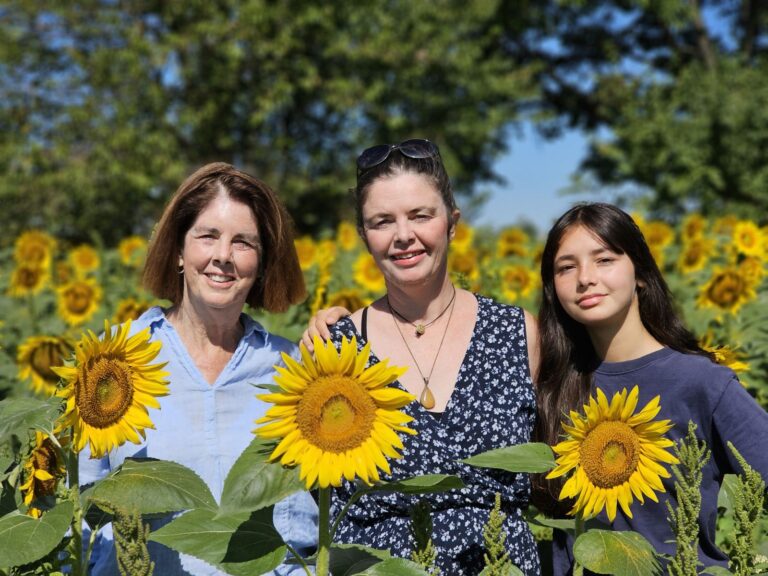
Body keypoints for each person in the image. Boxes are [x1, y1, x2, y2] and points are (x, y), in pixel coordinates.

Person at [303, 139, 541, 575]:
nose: (403, 235)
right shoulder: (336, 349)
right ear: (364, 237)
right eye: (382, 222)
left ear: (452, 223)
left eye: (420, 215)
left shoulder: (517, 332)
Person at [80, 162, 318, 575]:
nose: (223, 256)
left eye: (243, 242)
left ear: (262, 263)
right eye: (208, 236)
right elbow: (80, 508)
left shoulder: (291, 369)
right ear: (178, 250)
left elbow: (311, 518)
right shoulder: (114, 361)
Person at [533, 202, 768, 574]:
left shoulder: (701, 381)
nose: (585, 278)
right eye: (566, 267)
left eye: (604, 260)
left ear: (640, 273)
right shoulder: (553, 386)